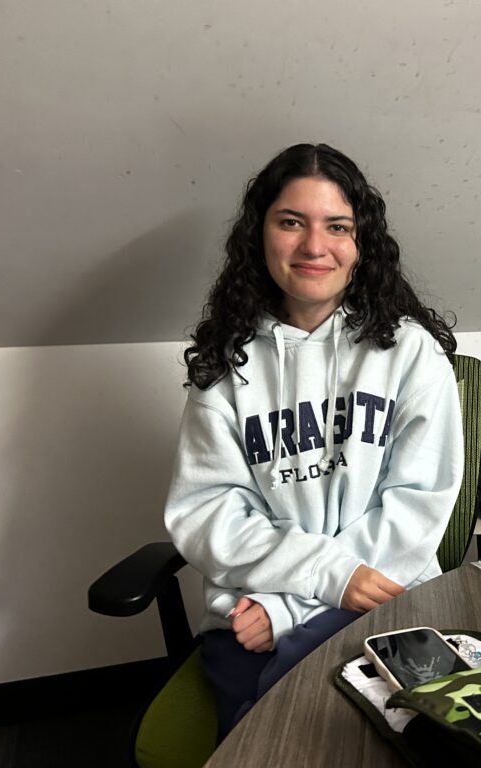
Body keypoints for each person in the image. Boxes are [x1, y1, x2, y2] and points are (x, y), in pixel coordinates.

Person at [163, 143, 463, 740]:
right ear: (260, 235)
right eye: (291, 222)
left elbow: (417, 506)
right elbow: (207, 514)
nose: (314, 246)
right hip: (248, 618)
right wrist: (322, 577)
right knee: (278, 738)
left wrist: (292, 607)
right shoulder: (225, 371)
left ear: (361, 244)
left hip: (385, 599)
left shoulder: (409, 353)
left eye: (337, 226)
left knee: (383, 735)